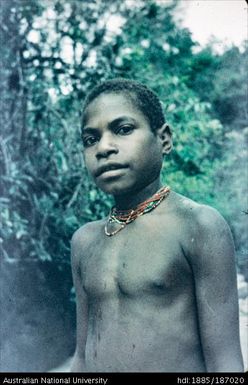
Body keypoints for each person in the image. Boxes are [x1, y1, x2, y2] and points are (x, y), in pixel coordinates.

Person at [70, 78, 243, 372]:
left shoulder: (198, 225)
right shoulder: (84, 241)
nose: (104, 147)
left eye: (123, 129)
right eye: (91, 139)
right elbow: (82, 355)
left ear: (163, 139)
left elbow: (225, 361)